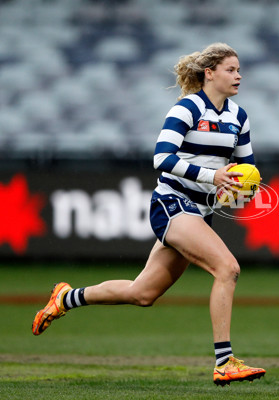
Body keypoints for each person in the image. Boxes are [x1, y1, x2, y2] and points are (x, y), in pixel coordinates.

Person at [32, 43, 266, 386]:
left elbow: (248, 168)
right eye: (231, 70)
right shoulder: (186, 109)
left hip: (199, 212)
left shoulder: (238, 116)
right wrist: (211, 176)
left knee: (142, 293)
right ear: (209, 73)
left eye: (239, 70)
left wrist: (241, 187)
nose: (238, 76)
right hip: (172, 204)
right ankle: (224, 361)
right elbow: (162, 158)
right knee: (227, 269)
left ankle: (66, 297)